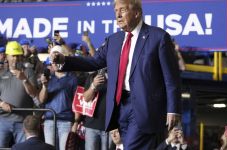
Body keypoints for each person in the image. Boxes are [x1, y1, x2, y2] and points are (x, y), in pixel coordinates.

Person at [51, 0, 181, 149]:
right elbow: (93, 62)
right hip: (118, 107)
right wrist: (64, 60)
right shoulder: (113, 40)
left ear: (137, 13)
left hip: (144, 107)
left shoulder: (158, 37)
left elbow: (172, 79)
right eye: (115, 11)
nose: (117, 15)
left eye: (123, 10)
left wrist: (173, 109)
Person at [39, 45, 78, 150]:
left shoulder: (72, 79)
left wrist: (76, 122)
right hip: (49, 120)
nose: (55, 63)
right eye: (53, 60)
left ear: (62, 60)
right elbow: (41, 100)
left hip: (66, 121)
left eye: (57, 59)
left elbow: (77, 102)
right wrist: (44, 86)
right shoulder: (47, 79)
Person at [0, 41, 38, 147]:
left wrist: (24, 80)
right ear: (7, 56)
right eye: (13, 56)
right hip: (3, 121)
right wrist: (2, 104)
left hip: (22, 122)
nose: (16, 59)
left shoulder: (29, 72)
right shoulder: (1, 73)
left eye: (18, 56)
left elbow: (34, 94)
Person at [73, 68, 109, 150]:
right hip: (91, 125)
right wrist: (93, 85)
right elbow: (86, 98)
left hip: (109, 126)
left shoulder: (116, 75)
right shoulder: (92, 76)